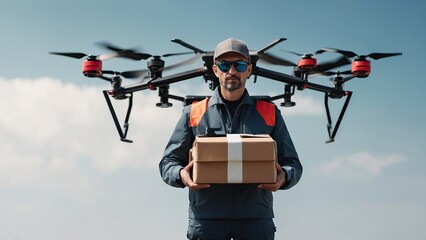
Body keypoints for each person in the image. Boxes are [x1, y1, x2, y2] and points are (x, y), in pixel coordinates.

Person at [159, 38, 302, 240]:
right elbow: (167, 163)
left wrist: (284, 177)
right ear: (216, 70)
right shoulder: (194, 113)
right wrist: (181, 174)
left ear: (249, 70)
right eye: (225, 65)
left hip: (255, 221)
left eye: (239, 65)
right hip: (206, 221)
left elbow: (293, 164)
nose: (232, 71)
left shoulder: (269, 113)